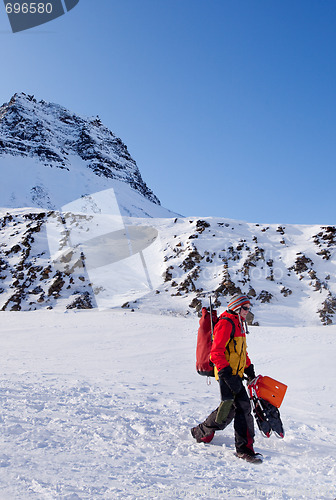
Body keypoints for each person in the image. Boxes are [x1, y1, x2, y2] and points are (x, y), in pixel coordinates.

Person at [191, 293, 262, 464]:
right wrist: (225, 373)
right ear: (237, 307)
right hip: (226, 374)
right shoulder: (226, 323)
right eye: (245, 308)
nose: (247, 311)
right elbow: (216, 352)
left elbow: (241, 352)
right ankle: (244, 450)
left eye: (249, 308)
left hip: (234, 373)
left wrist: (249, 368)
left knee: (230, 408)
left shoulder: (239, 324)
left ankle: (201, 432)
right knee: (243, 407)